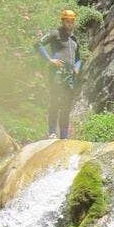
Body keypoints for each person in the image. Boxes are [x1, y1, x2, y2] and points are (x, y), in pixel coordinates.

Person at [35, 9, 81, 139]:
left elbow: (78, 58)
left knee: (66, 106)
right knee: (55, 102)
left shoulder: (74, 39)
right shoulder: (55, 33)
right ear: (62, 21)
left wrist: (77, 67)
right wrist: (49, 60)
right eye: (67, 21)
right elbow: (38, 44)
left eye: (71, 21)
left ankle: (64, 136)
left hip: (69, 77)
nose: (69, 23)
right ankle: (52, 132)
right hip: (57, 74)